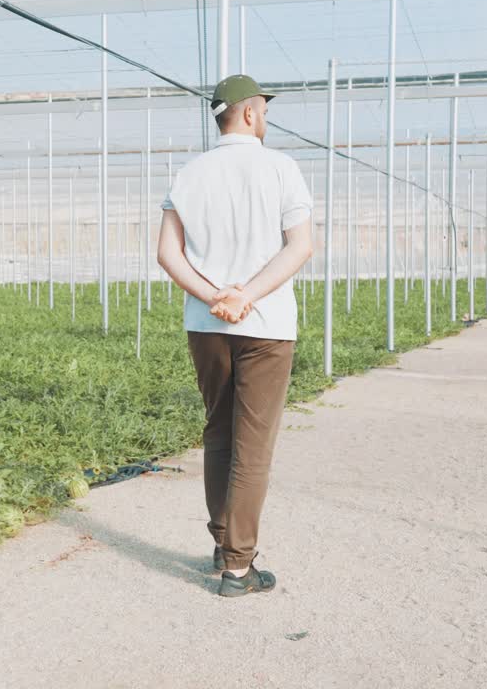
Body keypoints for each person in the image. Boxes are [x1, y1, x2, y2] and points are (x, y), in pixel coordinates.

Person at [156, 74, 313, 598]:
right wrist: (248, 295)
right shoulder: (281, 168)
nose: (265, 118)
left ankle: (224, 544)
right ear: (249, 112)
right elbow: (299, 248)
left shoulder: (190, 172)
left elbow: (168, 255)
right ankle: (239, 569)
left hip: (206, 326)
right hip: (266, 327)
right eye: (263, 110)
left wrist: (214, 297)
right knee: (254, 445)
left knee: (218, 432)